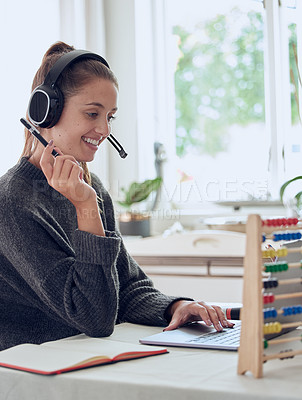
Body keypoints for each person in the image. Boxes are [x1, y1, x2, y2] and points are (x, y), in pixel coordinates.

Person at [0, 42, 233, 351]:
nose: (104, 129)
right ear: (47, 110)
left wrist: (174, 307)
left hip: (83, 358)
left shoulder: (89, 186)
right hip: (32, 373)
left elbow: (126, 286)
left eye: (110, 116)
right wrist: (86, 208)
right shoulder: (13, 201)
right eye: (92, 113)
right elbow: (93, 317)